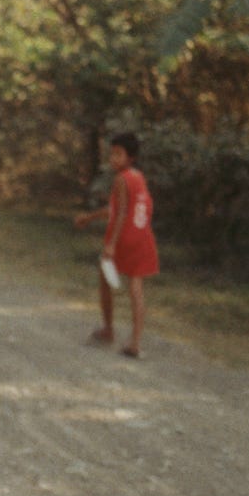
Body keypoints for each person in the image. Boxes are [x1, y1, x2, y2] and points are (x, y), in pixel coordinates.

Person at [74, 131, 159, 357]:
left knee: (105, 278)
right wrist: (89, 217)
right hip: (142, 237)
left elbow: (119, 213)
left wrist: (111, 244)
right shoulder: (138, 177)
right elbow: (119, 209)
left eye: (118, 154)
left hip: (123, 239)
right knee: (135, 288)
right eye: (112, 154)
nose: (113, 159)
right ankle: (135, 343)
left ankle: (109, 329)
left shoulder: (121, 179)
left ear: (130, 158)